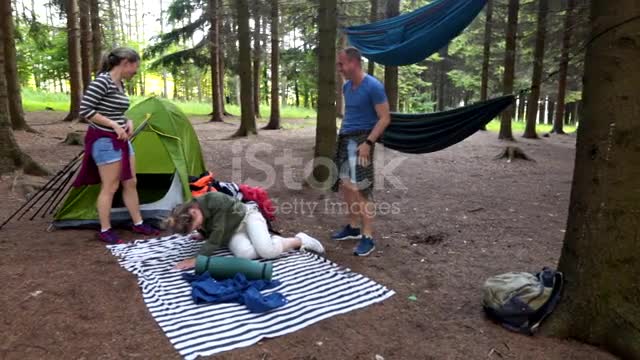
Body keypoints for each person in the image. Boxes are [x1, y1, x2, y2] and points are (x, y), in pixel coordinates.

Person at [73, 47, 159, 244]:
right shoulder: (102, 81)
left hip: (121, 139)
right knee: (110, 186)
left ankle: (138, 223)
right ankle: (105, 229)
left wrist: (126, 121)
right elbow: (86, 110)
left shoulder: (119, 84)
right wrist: (113, 125)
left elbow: (114, 110)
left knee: (130, 182)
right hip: (104, 140)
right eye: (134, 68)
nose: (135, 72)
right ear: (125, 62)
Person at [331, 47, 391, 256]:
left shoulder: (373, 86)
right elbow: (351, 115)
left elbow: (385, 118)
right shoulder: (347, 87)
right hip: (346, 138)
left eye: (342, 63)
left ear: (354, 63)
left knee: (361, 189)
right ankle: (353, 227)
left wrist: (368, 142)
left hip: (362, 141)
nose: (339, 68)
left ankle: (368, 237)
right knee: (347, 186)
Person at [165, 192, 325, 269]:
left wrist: (197, 260)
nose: (198, 228)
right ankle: (265, 239)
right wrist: (202, 234)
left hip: (247, 217)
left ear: (194, 212)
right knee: (245, 255)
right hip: (233, 231)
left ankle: (299, 240)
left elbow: (218, 233)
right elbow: (209, 228)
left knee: (267, 252)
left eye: (196, 226)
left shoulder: (214, 200)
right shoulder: (193, 213)